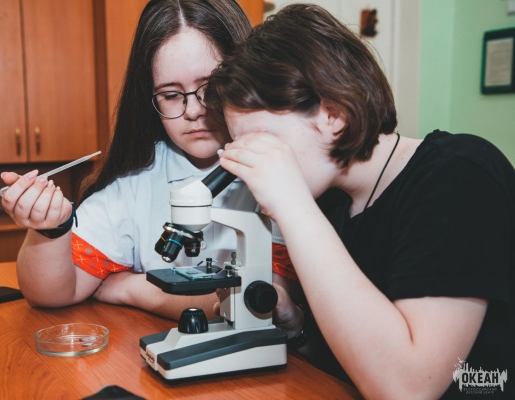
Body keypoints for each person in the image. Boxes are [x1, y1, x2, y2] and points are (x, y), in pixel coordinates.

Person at [209, 4, 515, 399]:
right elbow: (352, 364)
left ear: (333, 115)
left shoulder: (461, 176)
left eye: (261, 142)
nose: (253, 164)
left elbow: (406, 388)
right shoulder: (331, 202)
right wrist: (296, 326)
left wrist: (292, 205)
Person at [0, 0, 298, 321]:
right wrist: (49, 228)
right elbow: (51, 293)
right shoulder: (136, 182)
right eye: (171, 95)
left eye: (210, 88)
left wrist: (131, 288)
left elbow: (266, 298)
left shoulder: (283, 171)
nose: (193, 111)